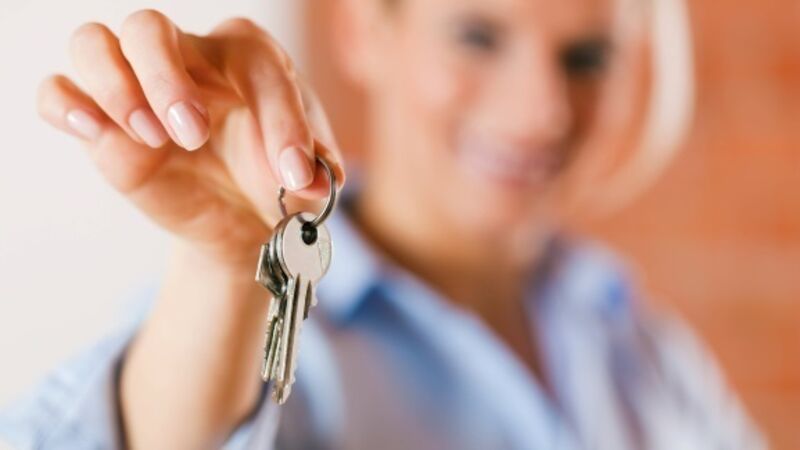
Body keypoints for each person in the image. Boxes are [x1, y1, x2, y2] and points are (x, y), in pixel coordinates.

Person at [0, 0, 765, 448]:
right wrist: (223, 265)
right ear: (363, 31)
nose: (542, 110)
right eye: (477, 36)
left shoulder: (642, 343)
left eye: (588, 56)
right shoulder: (250, 329)